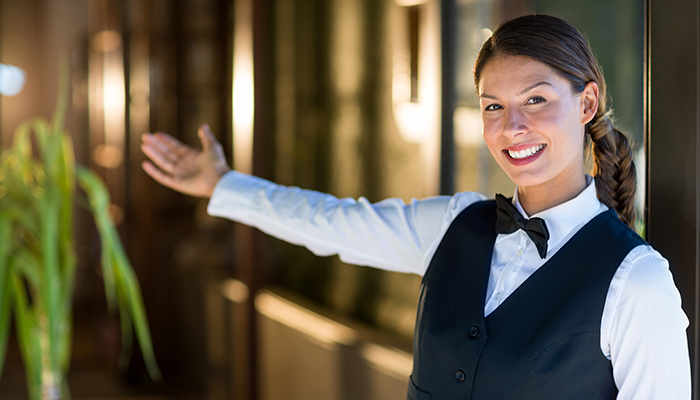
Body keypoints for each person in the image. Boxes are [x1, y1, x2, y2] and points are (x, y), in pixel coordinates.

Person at [141, 14, 690, 400]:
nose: (512, 127)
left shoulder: (638, 282)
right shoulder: (455, 225)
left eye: (537, 100)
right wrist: (223, 184)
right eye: (493, 105)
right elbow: (329, 222)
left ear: (586, 102)